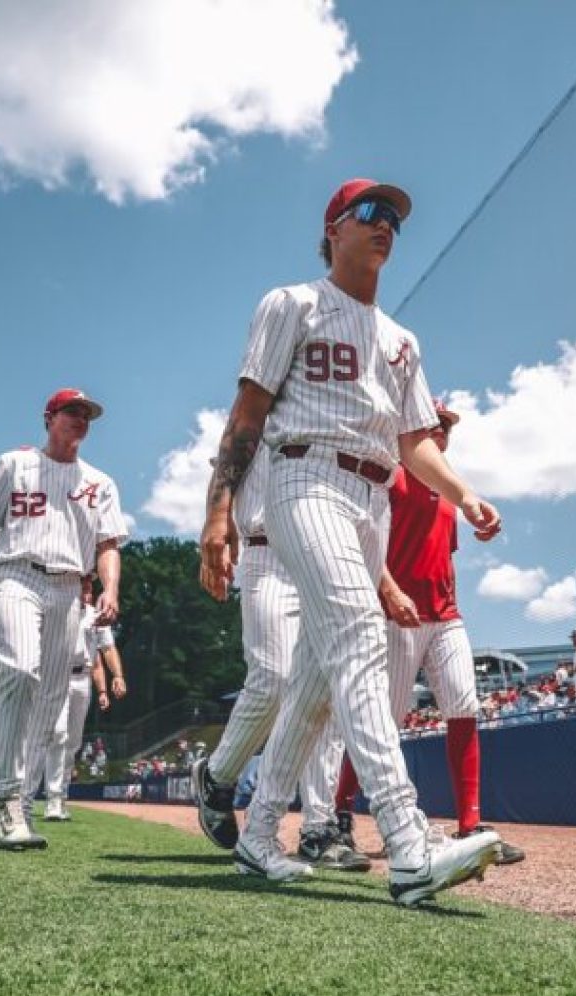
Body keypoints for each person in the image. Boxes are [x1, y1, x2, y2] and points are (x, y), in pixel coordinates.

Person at [199, 177, 504, 907]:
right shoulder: (293, 304)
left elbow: (413, 442)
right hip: (304, 479)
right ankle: (407, 844)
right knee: (361, 641)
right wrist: (218, 515)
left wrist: (462, 492)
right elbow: (246, 419)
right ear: (331, 230)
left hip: (374, 502)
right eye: (369, 212)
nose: (386, 224)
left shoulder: (401, 342)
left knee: (309, 681)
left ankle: (258, 833)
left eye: (394, 216)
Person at [329, 399, 523, 864]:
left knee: (464, 705)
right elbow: (364, 546)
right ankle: (337, 813)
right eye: (435, 423)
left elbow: (445, 555)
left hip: (445, 615)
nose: (443, 431)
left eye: (448, 426)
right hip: (397, 616)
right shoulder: (392, 476)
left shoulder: (450, 491)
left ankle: (471, 824)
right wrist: (390, 594)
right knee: (383, 723)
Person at [0, 388, 128, 850]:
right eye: (72, 411)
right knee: (20, 671)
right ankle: (4, 796)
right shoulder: (14, 465)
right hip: (16, 574)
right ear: (49, 418)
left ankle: (21, 803)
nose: (81, 419)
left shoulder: (100, 482)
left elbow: (108, 545)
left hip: (70, 586)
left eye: (87, 414)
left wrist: (110, 587)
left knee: (50, 701)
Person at [192, 445, 365, 871]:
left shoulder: (328, 408)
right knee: (273, 677)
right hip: (266, 552)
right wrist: (215, 526)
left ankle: (317, 830)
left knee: (322, 691)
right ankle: (217, 775)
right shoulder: (258, 405)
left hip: (325, 552)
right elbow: (225, 470)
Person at [26, 575, 127, 823]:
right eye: (81, 587)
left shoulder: (95, 616)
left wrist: (117, 677)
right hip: (56, 674)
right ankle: (49, 798)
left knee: (72, 741)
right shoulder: (56, 610)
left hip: (82, 680)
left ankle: (61, 797)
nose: (85, 593)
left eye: (88, 588)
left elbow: (107, 650)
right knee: (57, 735)